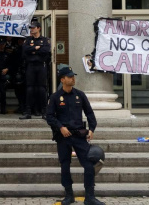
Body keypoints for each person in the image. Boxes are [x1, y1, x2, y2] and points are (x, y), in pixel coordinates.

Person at [46, 67, 104, 205]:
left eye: (73, 76)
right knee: (65, 165)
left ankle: (89, 196)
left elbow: (90, 113)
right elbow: (49, 117)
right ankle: (69, 195)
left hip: (79, 135)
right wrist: (60, 127)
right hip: (63, 136)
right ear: (62, 79)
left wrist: (92, 129)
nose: (73, 78)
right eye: (69, 76)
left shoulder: (80, 95)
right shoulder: (55, 97)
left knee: (89, 164)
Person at [19, 19, 51, 119]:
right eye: (31, 28)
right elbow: (25, 50)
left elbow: (46, 50)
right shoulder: (28, 40)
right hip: (31, 66)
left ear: (39, 28)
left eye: (33, 28)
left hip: (41, 66)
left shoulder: (44, 40)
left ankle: (44, 112)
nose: (31, 30)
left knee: (42, 89)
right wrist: (37, 48)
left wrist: (33, 50)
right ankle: (28, 112)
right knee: (30, 89)